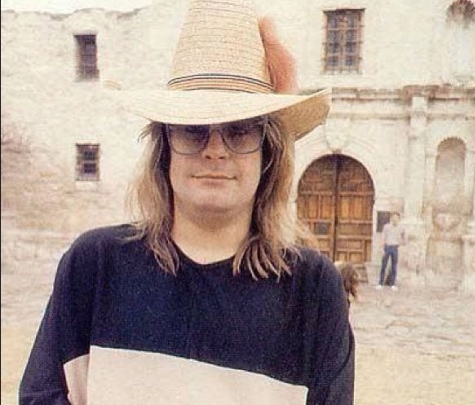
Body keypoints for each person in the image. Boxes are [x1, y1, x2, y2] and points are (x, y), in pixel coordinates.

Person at [19, 1, 354, 404]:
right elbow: (41, 396)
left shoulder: (312, 290)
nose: (215, 150)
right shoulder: (95, 265)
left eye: (240, 131)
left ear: (268, 153)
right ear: (165, 150)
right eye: (194, 130)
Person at [376, 212, 407, 291]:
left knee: (394, 266)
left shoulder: (401, 228)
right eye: (393, 217)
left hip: (395, 247)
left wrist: (401, 243)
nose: (395, 219)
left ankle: (392, 283)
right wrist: (381, 248)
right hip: (387, 246)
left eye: (396, 218)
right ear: (391, 218)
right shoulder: (386, 227)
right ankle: (380, 283)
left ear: (399, 219)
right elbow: (383, 237)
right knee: (384, 265)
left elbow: (405, 238)